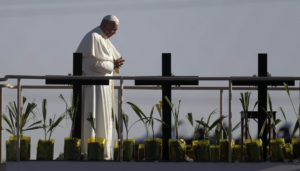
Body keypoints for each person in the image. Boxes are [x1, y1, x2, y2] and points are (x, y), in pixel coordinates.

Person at [76, 15, 125, 159]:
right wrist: (112, 65)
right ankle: (89, 151)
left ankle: (104, 152)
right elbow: (90, 63)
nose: (114, 33)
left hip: (105, 88)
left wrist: (114, 64)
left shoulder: (104, 39)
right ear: (104, 25)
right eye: (113, 29)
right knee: (93, 117)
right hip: (93, 88)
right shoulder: (93, 37)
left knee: (105, 119)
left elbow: (113, 59)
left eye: (116, 30)